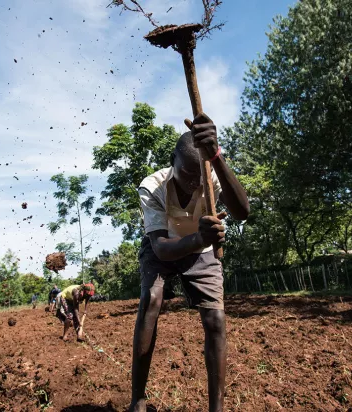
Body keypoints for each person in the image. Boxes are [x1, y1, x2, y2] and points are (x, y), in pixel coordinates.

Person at [129, 113, 249, 412]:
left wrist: (217, 157)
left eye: (199, 176)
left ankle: (216, 409)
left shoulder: (210, 179)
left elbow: (242, 211)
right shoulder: (152, 186)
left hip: (201, 246)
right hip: (167, 245)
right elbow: (160, 248)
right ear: (173, 162)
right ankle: (138, 399)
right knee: (151, 300)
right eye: (186, 175)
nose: (193, 183)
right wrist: (198, 237)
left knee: (216, 319)